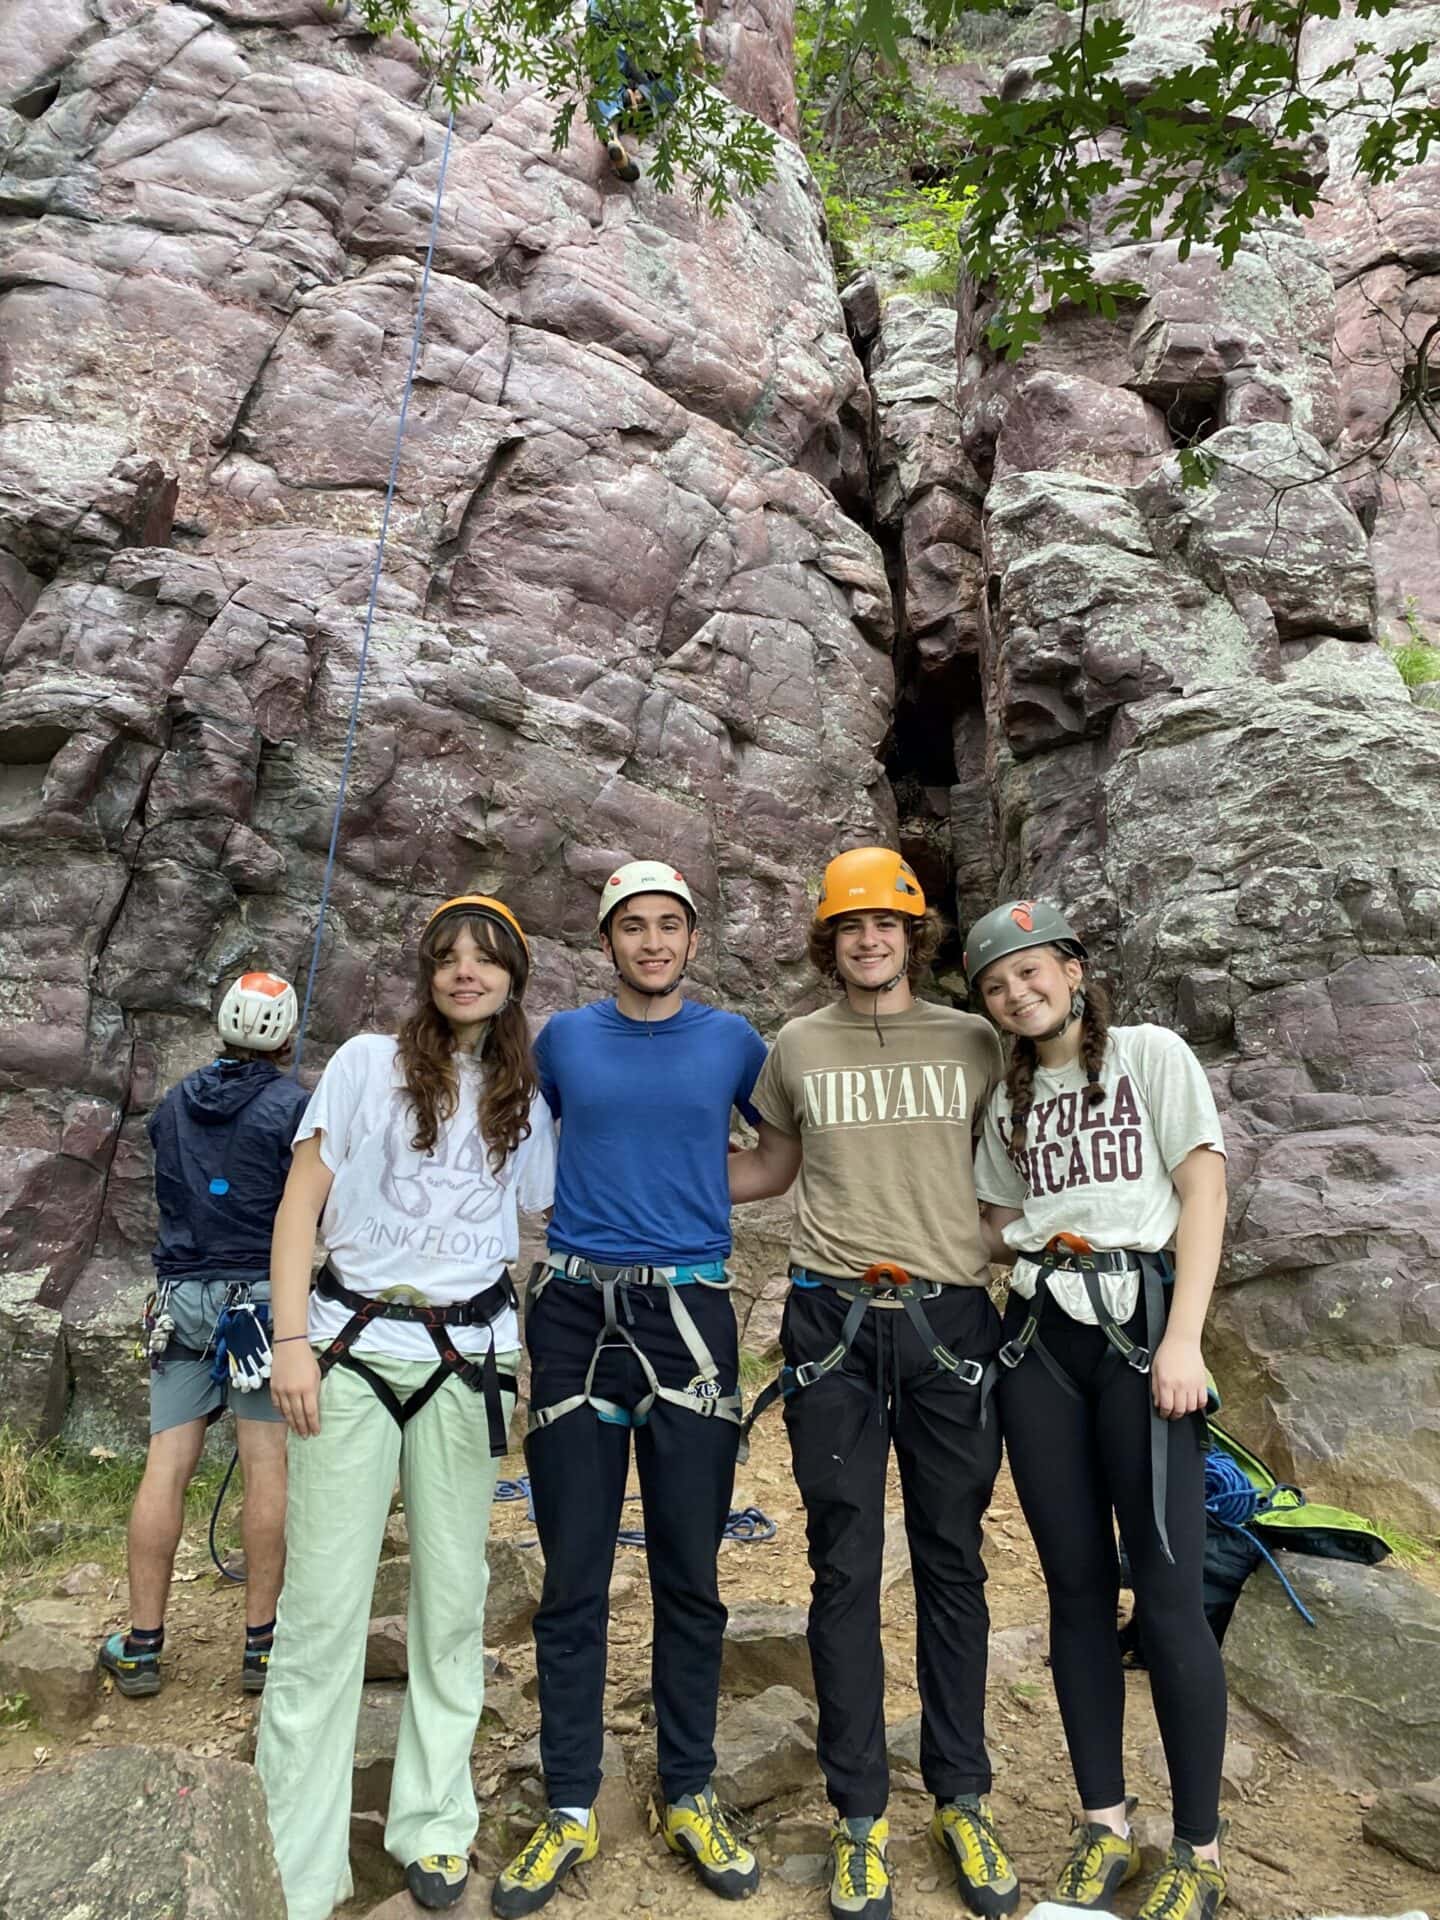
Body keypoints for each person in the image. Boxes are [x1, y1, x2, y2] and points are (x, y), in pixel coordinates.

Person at [730, 848, 1019, 1920]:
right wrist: (648, 1173)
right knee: (843, 1565)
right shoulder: (794, 1048)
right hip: (832, 1324)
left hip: (950, 1321)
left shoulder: (978, 1040)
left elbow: (1027, 1155)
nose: (868, 939)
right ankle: (860, 1821)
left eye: (886, 925)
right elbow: (767, 1168)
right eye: (849, 926)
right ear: (829, 939)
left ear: (915, 935)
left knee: (953, 1559)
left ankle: (963, 1795)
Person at [257, 896, 555, 1920]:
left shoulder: (524, 1095)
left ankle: (433, 1825)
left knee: (452, 1602)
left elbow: (529, 1232)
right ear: (425, 970)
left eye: (486, 958)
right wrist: (289, 1344)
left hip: (465, 1362)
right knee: (322, 1612)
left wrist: (519, 1360)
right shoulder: (364, 1066)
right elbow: (298, 1208)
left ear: (514, 975)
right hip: (348, 1349)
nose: (464, 972)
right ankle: (298, 1861)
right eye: (446, 957)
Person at [491, 859, 768, 1918]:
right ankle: (569, 1803)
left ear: (692, 941)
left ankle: (688, 1788)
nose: (652, 943)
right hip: (571, 1309)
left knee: (690, 1569)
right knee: (572, 1574)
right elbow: (534, 1138)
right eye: (632, 928)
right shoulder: (563, 1041)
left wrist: (699, 1181)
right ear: (607, 942)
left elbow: (777, 1152)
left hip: (690, 1308)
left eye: (669, 927)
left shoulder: (734, 1044)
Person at [965, 899, 1229, 1920]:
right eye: (995, 985)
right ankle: (1104, 1826)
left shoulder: (1151, 1056)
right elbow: (993, 1217)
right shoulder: (1008, 1099)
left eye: (1031, 972)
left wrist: (1185, 1340)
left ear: (1073, 971)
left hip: (1142, 1331)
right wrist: (1020, 1230)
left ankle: (1199, 1852)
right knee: (1074, 1589)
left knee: (1166, 1597)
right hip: (1042, 1340)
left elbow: (1201, 1194)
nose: (1016, 993)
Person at [98, 971, 307, 1701]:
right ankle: (262, 1648)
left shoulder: (175, 1103)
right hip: (259, 1304)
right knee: (265, 1465)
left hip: (181, 1295)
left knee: (167, 1463)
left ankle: (143, 1645)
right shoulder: (292, 1107)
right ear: (283, 1033)